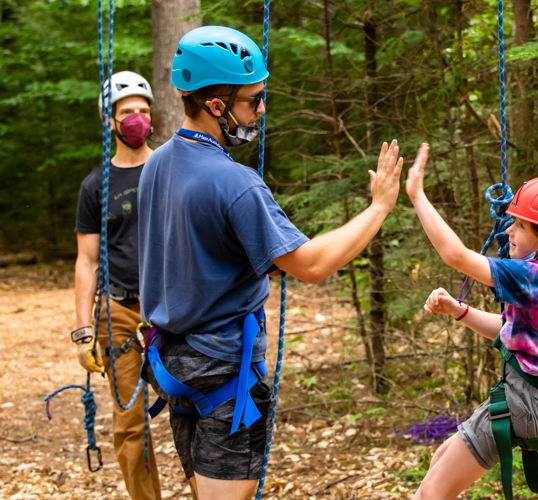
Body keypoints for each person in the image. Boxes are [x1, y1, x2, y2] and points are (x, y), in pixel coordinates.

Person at [137, 26, 402, 500]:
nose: (262, 110)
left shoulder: (156, 163)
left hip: (173, 364)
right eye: (254, 100)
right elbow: (313, 265)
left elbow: (192, 248)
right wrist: (378, 207)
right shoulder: (235, 182)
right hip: (221, 373)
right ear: (216, 105)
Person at [405, 144, 538, 500]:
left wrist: (417, 195)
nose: (508, 230)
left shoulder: (536, 277)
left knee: (430, 495)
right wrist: (458, 311)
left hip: (528, 402)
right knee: (440, 459)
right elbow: (513, 334)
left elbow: (455, 256)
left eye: (520, 225)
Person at [72, 71, 162, 499]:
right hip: (120, 312)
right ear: (110, 120)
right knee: (130, 424)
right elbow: (86, 261)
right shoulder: (96, 186)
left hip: (174, 304)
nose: (137, 119)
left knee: (194, 409)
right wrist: (82, 329)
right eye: (127, 113)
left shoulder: (170, 168)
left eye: (143, 111)